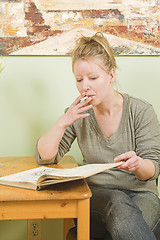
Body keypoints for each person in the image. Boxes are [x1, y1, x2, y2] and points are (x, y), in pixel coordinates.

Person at [35, 32, 160, 240]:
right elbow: (46, 156)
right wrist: (63, 121)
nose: (85, 86)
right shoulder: (78, 113)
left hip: (141, 195)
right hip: (97, 198)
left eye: (93, 78)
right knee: (116, 200)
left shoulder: (140, 111)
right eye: (79, 79)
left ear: (111, 76)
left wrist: (138, 164)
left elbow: (152, 170)